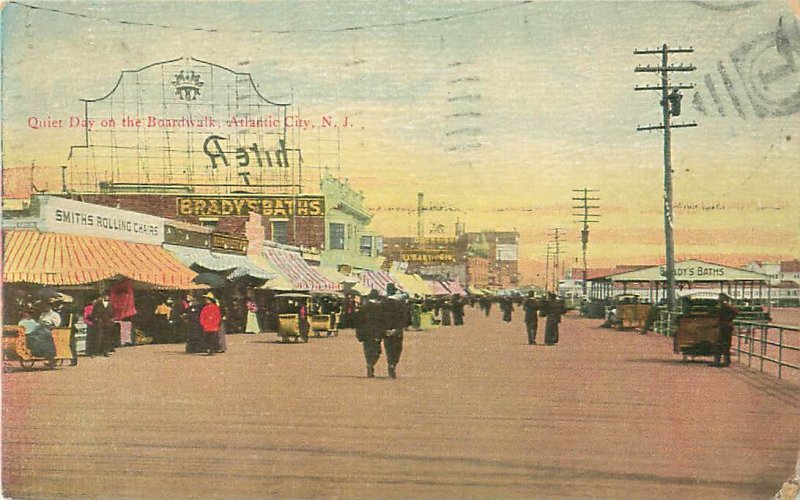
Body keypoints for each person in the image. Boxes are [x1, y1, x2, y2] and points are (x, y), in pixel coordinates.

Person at [355, 289, 384, 378]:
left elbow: (358, 322)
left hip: (365, 333)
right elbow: (382, 322)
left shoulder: (363, 308)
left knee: (368, 351)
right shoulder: (379, 308)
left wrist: (359, 334)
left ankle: (369, 363)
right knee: (377, 351)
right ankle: (371, 364)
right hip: (375, 333)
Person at [383, 289, 410, 379]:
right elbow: (405, 318)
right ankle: (393, 364)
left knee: (388, 349)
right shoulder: (401, 304)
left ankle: (390, 362)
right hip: (397, 330)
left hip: (386, 330)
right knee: (397, 348)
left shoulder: (383, 304)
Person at [714, 293, 739, 367]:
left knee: (721, 343)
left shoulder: (725, 306)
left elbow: (735, 311)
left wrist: (728, 319)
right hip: (726, 325)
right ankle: (724, 360)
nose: (718, 299)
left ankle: (720, 361)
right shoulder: (724, 306)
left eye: (720, 298)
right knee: (724, 343)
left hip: (725, 326)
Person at [89, 292, 116, 357]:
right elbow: (94, 313)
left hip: (107, 323)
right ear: (103, 296)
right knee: (98, 338)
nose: (107, 297)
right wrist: (96, 319)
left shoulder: (111, 304)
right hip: (99, 323)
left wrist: (112, 319)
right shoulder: (97, 303)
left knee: (107, 338)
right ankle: (94, 352)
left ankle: (105, 352)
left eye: (108, 296)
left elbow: (113, 313)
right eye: (105, 296)